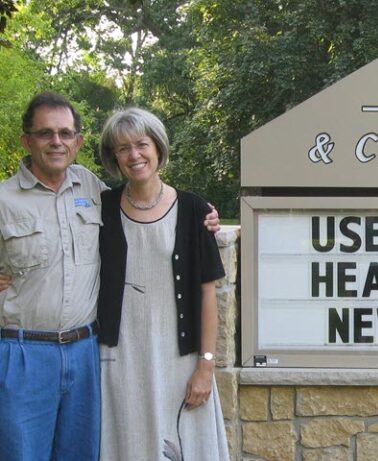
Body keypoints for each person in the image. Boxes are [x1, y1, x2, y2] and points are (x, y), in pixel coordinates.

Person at [0, 92, 219, 461]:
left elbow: (202, 284)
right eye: (45, 133)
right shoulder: (8, 200)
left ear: (78, 142)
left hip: (86, 353)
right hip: (28, 354)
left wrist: (206, 216)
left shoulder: (92, 190)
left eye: (66, 133)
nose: (57, 141)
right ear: (27, 140)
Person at [97, 107, 229, 460]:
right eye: (122, 148)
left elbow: (206, 293)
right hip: (119, 361)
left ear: (157, 147)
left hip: (180, 361)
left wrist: (206, 365)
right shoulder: (100, 208)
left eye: (141, 144)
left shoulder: (194, 210)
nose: (134, 155)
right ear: (114, 158)